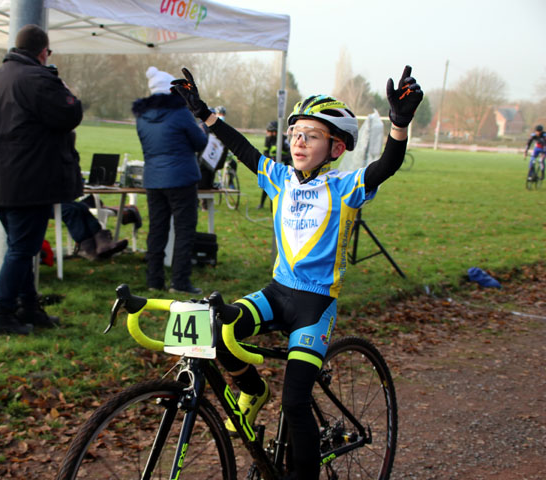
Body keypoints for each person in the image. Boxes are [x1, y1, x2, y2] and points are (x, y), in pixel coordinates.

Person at [171, 65, 422, 479]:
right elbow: (242, 149)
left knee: (295, 401)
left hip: (315, 305)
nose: (299, 142)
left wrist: (399, 125)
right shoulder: (280, 178)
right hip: (276, 293)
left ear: (336, 148)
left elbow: (388, 166)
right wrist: (204, 113)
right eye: (295, 134)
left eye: (312, 136)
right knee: (218, 330)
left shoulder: (345, 187)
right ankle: (252, 391)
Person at [0, 24, 83, 335]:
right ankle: (2, 313)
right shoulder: (37, 78)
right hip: (29, 178)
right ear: (43, 52)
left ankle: (28, 306)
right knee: (24, 248)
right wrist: (59, 83)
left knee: (21, 246)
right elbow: (69, 114)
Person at [132, 66, 208, 295]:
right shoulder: (180, 113)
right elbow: (200, 143)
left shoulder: (142, 117)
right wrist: (203, 129)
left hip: (154, 179)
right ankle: (180, 281)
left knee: (157, 230)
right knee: (184, 230)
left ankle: (154, 280)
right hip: (182, 178)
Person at [258, 120, 292, 209]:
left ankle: (275, 206)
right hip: (272, 166)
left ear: (275, 132)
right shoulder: (268, 139)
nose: (267, 133)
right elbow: (265, 152)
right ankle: (261, 204)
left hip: (284, 166)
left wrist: (280, 159)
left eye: (269, 131)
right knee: (267, 183)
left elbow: (290, 154)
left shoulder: (284, 140)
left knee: (279, 187)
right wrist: (270, 158)